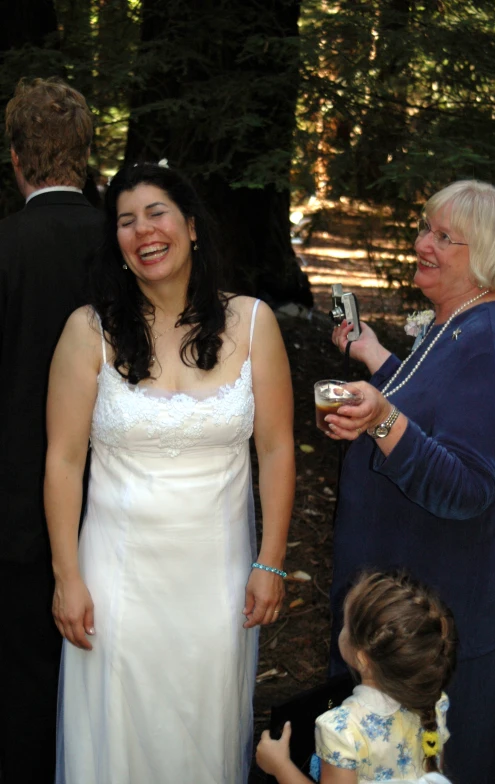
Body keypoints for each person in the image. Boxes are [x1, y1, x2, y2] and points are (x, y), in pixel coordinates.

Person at [44, 162, 295, 784]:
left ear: (191, 226)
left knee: (201, 733)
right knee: (118, 736)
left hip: (219, 582)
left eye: (156, 213)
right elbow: (63, 460)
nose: (143, 231)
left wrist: (270, 561)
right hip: (116, 580)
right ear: (118, 246)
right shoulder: (87, 332)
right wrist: (66, 577)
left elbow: (278, 449)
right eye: (126, 221)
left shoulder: (254, 323)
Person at [325, 180, 495, 784]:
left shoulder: (488, 340)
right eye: (425, 229)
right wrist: (375, 356)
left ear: (485, 255)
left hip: (440, 628)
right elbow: (433, 402)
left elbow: (467, 484)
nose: (422, 244)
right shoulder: (457, 322)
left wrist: (380, 419)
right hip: (411, 617)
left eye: (443, 237)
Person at [0, 77, 104, 784]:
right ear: (88, 155)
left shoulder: (5, 247)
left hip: (12, 509)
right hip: (116, 501)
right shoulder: (132, 245)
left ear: (15, 158)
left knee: (21, 691)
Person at [256, 570, 456, 783]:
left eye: (347, 625)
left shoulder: (342, 729)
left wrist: (280, 766)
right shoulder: (433, 702)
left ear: (362, 659)